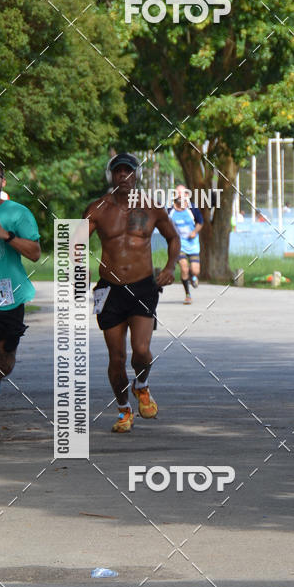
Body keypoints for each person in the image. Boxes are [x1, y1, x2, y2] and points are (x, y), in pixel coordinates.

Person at [84, 153, 180, 433]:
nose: (123, 176)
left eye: (128, 172)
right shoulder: (98, 209)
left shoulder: (152, 207)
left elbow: (173, 237)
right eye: (118, 172)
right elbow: (76, 242)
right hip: (109, 290)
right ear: (111, 176)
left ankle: (142, 384)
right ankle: (124, 409)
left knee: (141, 350)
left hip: (142, 286)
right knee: (116, 358)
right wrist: (81, 270)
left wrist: (171, 267)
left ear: (136, 176)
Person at [0, 157, 41, 441]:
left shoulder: (18, 213)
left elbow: (34, 253)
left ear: (2, 182)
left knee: (3, 361)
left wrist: (5, 235)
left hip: (11, 295)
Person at [169, 185, 203, 304]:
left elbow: (200, 222)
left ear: (187, 195)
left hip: (192, 244)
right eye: (177, 193)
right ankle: (188, 295)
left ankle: (194, 277)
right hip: (179, 245)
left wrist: (194, 232)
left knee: (195, 270)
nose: (180, 196)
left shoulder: (192, 209)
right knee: (184, 267)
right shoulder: (170, 210)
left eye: (182, 193)